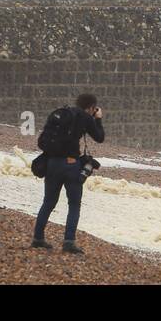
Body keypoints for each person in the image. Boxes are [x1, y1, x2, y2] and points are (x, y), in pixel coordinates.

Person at [32, 93, 105, 254]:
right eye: (94, 109)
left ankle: (38, 238)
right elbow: (99, 137)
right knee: (74, 204)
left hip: (51, 163)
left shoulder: (62, 114)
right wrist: (98, 119)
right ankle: (69, 241)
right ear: (92, 107)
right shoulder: (85, 117)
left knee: (49, 202)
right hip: (71, 165)